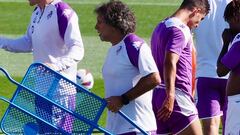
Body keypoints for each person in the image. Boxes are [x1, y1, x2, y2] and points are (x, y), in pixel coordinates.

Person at [0, 0, 84, 134]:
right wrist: (1, 41)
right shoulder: (37, 12)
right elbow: (28, 42)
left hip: (61, 93)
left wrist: (55, 65)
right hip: (41, 91)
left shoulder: (62, 11)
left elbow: (78, 48)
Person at [94, 0, 161, 134]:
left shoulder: (133, 45)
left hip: (136, 127)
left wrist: (123, 99)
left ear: (113, 23)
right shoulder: (114, 48)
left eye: (100, 22)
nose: (96, 27)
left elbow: (154, 78)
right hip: (117, 128)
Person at [151, 0, 210, 134]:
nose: (197, 24)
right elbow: (170, 61)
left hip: (157, 95)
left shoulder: (161, 26)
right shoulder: (179, 30)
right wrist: (170, 96)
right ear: (196, 11)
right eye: (200, 19)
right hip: (176, 96)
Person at [193, 0, 231, 134]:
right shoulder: (234, 4)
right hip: (231, 75)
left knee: (210, 126)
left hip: (205, 75)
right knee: (232, 126)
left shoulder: (198, 3)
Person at [217, 0, 240, 134]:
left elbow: (221, 70)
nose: (229, 26)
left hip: (237, 102)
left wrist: (225, 43)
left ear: (236, 17)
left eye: (229, 21)